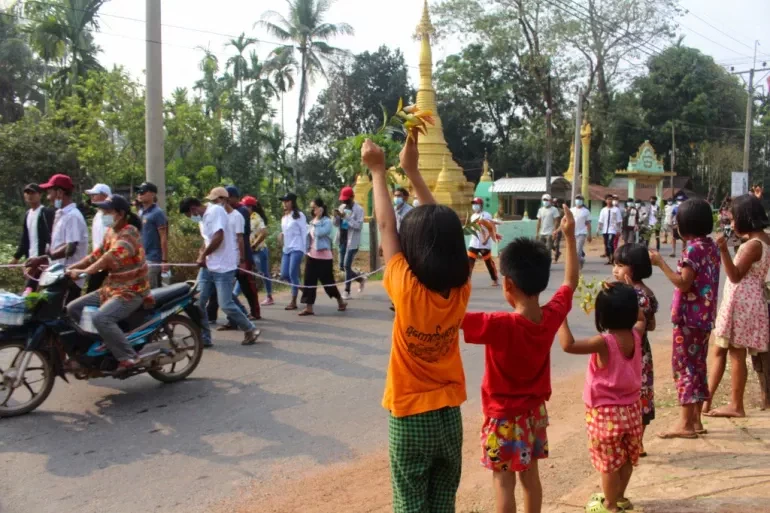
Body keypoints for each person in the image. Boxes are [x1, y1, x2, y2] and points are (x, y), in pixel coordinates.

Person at [363, 131, 471, 513]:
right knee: (443, 505)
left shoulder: (406, 288)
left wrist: (378, 171)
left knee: (410, 504)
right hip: (450, 416)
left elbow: (387, 228)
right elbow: (446, 232)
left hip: (410, 418)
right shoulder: (461, 288)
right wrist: (412, 173)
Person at [461, 205, 578, 513]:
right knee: (531, 478)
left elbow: (451, 317)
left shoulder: (498, 324)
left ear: (508, 285)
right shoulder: (550, 316)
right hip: (532, 416)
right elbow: (570, 283)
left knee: (503, 483)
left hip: (502, 417)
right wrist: (570, 237)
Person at [558, 283, 647, 513]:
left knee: (608, 464)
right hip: (632, 410)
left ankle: (609, 506)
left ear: (603, 315)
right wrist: (629, 290)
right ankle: (619, 497)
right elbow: (641, 318)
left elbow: (568, 345)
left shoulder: (604, 342)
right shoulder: (636, 334)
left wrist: (561, 316)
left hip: (605, 413)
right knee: (627, 459)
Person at [649, 198, 719, 439]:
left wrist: (660, 263)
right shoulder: (711, 246)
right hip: (705, 318)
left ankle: (685, 424)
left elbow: (683, 282)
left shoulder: (693, 249)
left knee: (684, 368)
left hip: (689, 318)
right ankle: (696, 420)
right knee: (698, 365)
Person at [65, 195, 152, 370]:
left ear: (120, 213)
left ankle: (129, 357)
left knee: (101, 318)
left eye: (107, 211)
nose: (103, 214)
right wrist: (69, 268)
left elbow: (108, 257)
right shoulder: (111, 232)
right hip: (112, 288)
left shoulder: (129, 233)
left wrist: (85, 272)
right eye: (102, 211)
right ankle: (97, 346)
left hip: (132, 290)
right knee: (72, 308)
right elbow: (95, 255)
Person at [705, 195, 770, 418]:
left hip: (742, 302)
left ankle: (736, 404)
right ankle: (707, 400)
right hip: (747, 300)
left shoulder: (753, 245)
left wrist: (723, 250)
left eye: (733, 219)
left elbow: (734, 275)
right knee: (721, 349)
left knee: (736, 353)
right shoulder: (763, 240)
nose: (732, 224)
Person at [180, 191, 260, 347]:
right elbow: (208, 239)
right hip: (209, 267)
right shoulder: (202, 220)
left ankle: (250, 329)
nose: (191, 218)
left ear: (193, 208)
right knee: (198, 303)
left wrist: (203, 255)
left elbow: (218, 237)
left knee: (226, 304)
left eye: (189, 215)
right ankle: (204, 338)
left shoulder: (215, 211)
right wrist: (202, 252)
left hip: (224, 266)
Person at [613, 244, 658, 452]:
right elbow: (653, 324)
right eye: (615, 264)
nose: (616, 270)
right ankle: (635, 440)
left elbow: (641, 323)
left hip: (636, 352)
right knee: (639, 394)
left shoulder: (638, 295)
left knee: (637, 394)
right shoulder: (638, 292)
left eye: (621, 265)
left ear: (635, 268)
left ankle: (636, 441)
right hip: (637, 350)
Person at [29, 174, 89, 302]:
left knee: (61, 316)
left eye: (50, 192)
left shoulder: (73, 216)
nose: (48, 197)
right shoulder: (61, 214)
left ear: (60, 193)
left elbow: (70, 247)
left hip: (68, 278)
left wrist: (46, 256)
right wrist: (44, 259)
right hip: (57, 274)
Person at [299, 198, 347, 316]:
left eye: (314, 207)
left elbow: (320, 233)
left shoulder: (327, 222)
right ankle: (309, 307)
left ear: (321, 208)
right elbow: (309, 237)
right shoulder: (312, 221)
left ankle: (340, 300)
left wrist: (318, 219)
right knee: (309, 281)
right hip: (311, 256)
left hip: (324, 258)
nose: (312, 209)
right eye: (311, 207)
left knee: (328, 282)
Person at [226, 186, 261, 320]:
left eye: (228, 197)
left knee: (247, 285)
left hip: (243, 253)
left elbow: (240, 235)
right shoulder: (226, 211)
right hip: (230, 254)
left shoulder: (242, 211)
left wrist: (243, 259)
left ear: (234, 197)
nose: (226, 200)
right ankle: (233, 317)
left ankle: (255, 312)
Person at [12, 184, 55, 292]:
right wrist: (16, 257)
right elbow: (25, 239)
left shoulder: (46, 213)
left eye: (33, 193)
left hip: (42, 260)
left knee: (31, 290)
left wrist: (46, 258)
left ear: (40, 195)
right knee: (31, 291)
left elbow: (51, 237)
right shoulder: (28, 214)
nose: (29, 196)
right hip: (31, 259)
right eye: (27, 193)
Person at [333, 186, 366, 300]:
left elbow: (359, 226)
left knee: (347, 266)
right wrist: (336, 217)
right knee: (342, 266)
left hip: (352, 241)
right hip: (342, 239)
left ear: (352, 197)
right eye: (343, 200)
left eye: (346, 199)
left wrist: (346, 217)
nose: (344, 202)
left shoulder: (359, 209)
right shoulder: (342, 207)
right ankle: (360, 278)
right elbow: (336, 224)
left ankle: (347, 291)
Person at [241, 196, 274, 306]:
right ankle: (235, 294)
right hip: (250, 252)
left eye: (245, 206)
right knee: (244, 272)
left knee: (264, 274)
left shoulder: (255, 218)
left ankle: (269, 296)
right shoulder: (245, 217)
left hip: (259, 251)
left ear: (250, 207)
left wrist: (254, 245)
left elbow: (264, 233)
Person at [136, 182, 169, 289]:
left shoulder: (157, 213)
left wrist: (164, 260)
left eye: (143, 192)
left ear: (152, 194)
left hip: (153, 258)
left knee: (151, 290)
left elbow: (163, 237)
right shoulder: (140, 211)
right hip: (142, 257)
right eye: (139, 192)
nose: (140, 194)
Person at [279, 192, 308, 311]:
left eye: (287, 201)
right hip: (286, 249)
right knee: (284, 274)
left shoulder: (299, 215)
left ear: (292, 202)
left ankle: (293, 301)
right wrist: (281, 235)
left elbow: (304, 232)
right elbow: (285, 232)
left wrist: (305, 250)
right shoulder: (284, 218)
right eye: (284, 201)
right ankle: (303, 289)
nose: (285, 204)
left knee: (292, 273)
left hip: (297, 248)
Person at [84, 183, 112, 293]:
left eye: (95, 194)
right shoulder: (98, 214)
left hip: (106, 261)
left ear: (104, 195)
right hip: (97, 259)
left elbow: (110, 236)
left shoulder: (109, 214)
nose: (92, 197)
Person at [468, 197, 500, 286]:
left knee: (488, 263)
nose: (474, 206)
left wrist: (486, 239)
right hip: (474, 243)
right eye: (473, 204)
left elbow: (491, 228)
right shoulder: (472, 216)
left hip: (484, 244)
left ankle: (495, 279)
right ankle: (467, 280)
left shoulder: (486, 215)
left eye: (476, 204)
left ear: (481, 205)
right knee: (469, 262)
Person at [571, 194, 592, 269]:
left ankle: (576, 267)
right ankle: (581, 260)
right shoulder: (571, 210)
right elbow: (566, 221)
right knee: (573, 251)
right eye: (577, 199)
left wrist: (589, 235)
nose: (578, 200)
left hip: (582, 233)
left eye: (580, 199)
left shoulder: (586, 211)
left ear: (582, 201)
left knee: (578, 251)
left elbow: (588, 223)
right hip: (572, 233)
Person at [597, 194, 619, 265]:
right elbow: (601, 221)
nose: (610, 200)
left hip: (612, 230)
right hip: (604, 230)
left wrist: (619, 230)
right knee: (606, 245)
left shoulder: (616, 210)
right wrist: (598, 229)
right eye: (608, 199)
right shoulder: (603, 210)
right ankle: (609, 259)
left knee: (610, 243)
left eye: (611, 199)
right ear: (605, 200)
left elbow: (619, 221)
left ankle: (613, 259)